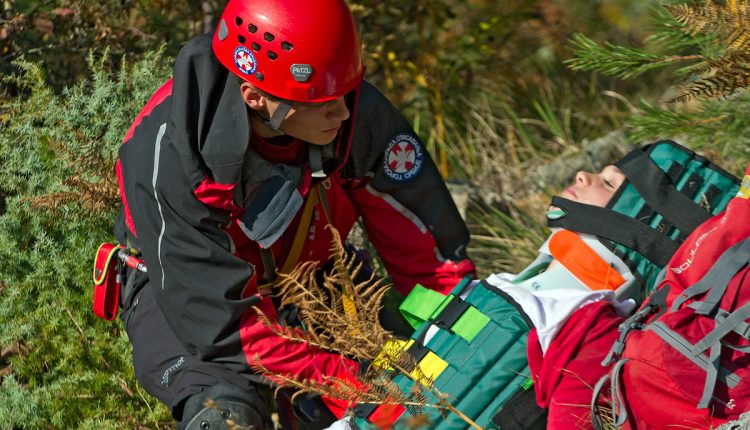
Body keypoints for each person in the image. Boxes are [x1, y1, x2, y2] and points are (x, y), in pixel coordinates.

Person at [112, 0, 474, 428]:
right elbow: (221, 326)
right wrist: (355, 381)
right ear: (255, 97)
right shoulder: (169, 156)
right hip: (187, 298)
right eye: (322, 102)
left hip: (313, 276)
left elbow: (428, 255)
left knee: (426, 388)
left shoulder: (347, 107)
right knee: (224, 412)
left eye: (343, 93)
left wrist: (465, 336)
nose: (342, 111)